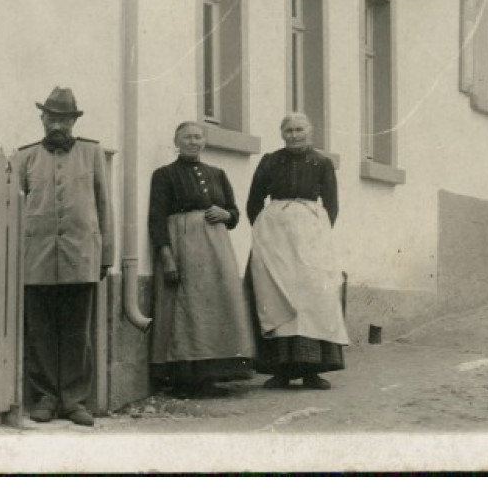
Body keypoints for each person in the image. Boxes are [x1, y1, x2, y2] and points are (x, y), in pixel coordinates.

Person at [17, 87, 112, 426]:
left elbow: (104, 205)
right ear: (42, 119)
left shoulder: (92, 153)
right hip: (36, 256)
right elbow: (15, 208)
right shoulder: (24, 157)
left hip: (80, 255)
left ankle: (74, 400)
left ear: (73, 121)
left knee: (76, 332)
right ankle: (45, 397)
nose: (57, 124)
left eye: (64, 118)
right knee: (40, 330)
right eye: (51, 117)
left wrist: (106, 255)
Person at [147, 121, 256, 395]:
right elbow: (156, 218)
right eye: (187, 137)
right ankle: (185, 379)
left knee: (217, 306)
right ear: (177, 141)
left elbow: (234, 213)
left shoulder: (218, 174)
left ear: (204, 142)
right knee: (188, 309)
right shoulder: (164, 174)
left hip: (216, 248)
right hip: (183, 245)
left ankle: (211, 376)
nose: (193, 142)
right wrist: (166, 255)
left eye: (198, 137)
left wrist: (226, 214)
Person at [243, 113, 348, 390]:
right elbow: (253, 202)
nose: (294, 135)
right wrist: (268, 231)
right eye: (288, 130)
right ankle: (281, 371)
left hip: (311, 236)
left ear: (310, 132)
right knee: (277, 295)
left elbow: (332, 205)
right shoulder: (270, 161)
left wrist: (315, 233)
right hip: (275, 238)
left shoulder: (323, 163)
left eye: (299, 129)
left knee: (315, 297)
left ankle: (313, 371)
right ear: (281, 133)